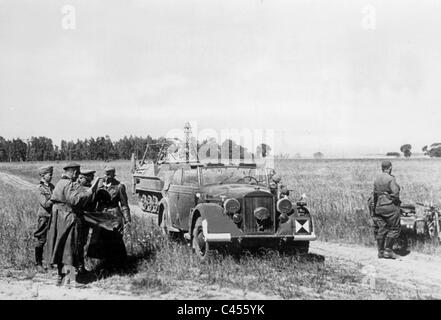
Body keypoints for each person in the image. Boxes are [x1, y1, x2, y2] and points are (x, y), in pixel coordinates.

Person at [45, 163, 99, 286]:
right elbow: (74, 200)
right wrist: (90, 191)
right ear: (74, 172)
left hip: (58, 218)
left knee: (60, 247)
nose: (78, 176)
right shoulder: (69, 184)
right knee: (70, 248)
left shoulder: (60, 182)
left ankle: (60, 278)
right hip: (68, 218)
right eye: (78, 173)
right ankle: (70, 280)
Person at [94, 166, 131, 271]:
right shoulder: (99, 186)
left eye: (109, 173)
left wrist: (127, 220)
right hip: (102, 215)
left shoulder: (119, 186)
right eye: (106, 173)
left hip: (114, 215)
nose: (107, 175)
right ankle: (104, 265)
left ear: (113, 174)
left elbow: (124, 205)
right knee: (102, 241)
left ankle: (119, 265)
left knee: (116, 240)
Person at [371, 160, 401, 259]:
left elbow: (374, 194)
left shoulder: (376, 179)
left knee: (381, 228)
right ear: (390, 168)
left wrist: (375, 209)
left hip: (378, 207)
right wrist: (393, 200)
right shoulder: (391, 178)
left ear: (382, 168)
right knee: (394, 228)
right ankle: (388, 251)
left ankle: (380, 252)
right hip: (389, 207)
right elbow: (396, 193)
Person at [34, 165, 54, 271]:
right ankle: (38, 264)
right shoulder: (40, 188)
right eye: (49, 174)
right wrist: (55, 198)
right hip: (44, 217)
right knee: (41, 240)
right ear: (43, 175)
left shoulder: (52, 187)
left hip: (52, 217)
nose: (51, 176)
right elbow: (45, 204)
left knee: (51, 240)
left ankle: (49, 262)